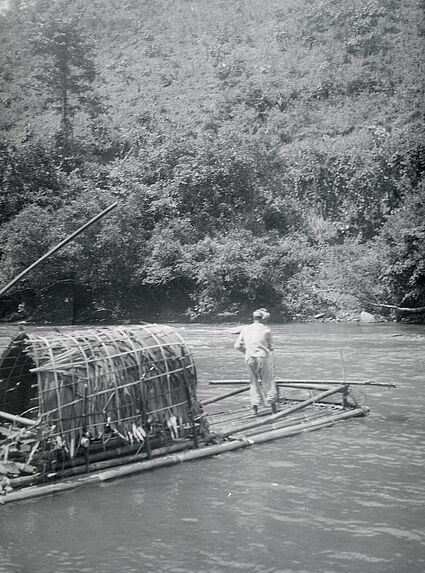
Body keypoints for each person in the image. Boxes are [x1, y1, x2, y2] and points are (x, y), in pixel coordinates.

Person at [234, 308, 278, 415]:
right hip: (262, 357)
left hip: (249, 357)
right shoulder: (267, 329)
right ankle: (273, 408)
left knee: (253, 382)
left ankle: (255, 408)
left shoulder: (245, 329)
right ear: (262, 318)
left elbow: (237, 345)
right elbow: (271, 347)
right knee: (268, 380)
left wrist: (247, 352)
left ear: (253, 318)